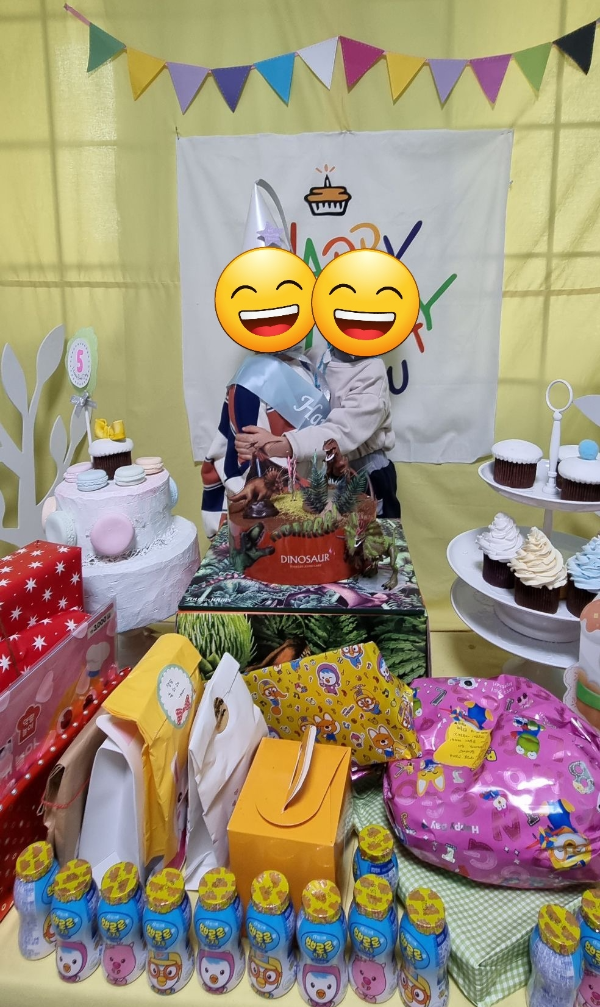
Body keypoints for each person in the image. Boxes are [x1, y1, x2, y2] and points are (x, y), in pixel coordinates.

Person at [235, 345, 401, 519]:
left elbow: (340, 432)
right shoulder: (316, 356)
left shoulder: (372, 373)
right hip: (325, 469)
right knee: (328, 530)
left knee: (371, 531)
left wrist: (274, 446)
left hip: (364, 470)